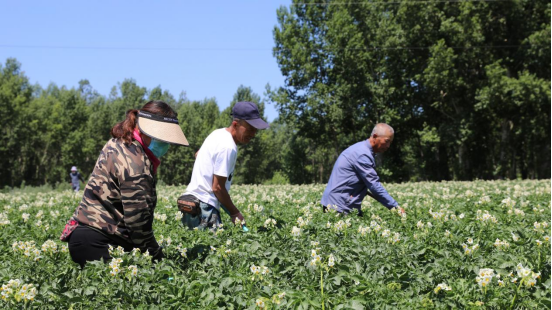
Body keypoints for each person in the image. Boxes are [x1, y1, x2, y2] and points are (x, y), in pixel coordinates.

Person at [60, 100, 189, 267]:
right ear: (147, 132)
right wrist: (158, 260)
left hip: (85, 237)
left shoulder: (120, 142)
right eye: (163, 139)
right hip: (101, 242)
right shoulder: (136, 162)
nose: (166, 145)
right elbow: (138, 224)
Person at [179, 101, 269, 230]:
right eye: (250, 129)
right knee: (213, 248)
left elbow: (198, 154)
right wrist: (235, 213)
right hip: (205, 207)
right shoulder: (228, 147)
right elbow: (218, 188)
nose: (253, 134)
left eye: (255, 130)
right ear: (235, 124)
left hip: (190, 202)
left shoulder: (217, 134)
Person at [321, 123, 405, 216]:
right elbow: (374, 185)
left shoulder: (362, 149)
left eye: (390, 142)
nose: (388, 145)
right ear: (375, 136)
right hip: (338, 206)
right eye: (387, 141)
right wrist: (395, 207)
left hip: (341, 202)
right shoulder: (362, 154)